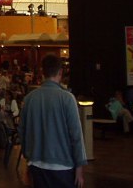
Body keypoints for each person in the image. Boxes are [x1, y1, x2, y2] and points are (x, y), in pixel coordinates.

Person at [19, 54, 87, 188]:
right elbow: (76, 135)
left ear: (42, 72)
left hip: (37, 163)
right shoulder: (67, 98)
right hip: (62, 165)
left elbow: (22, 130)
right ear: (60, 72)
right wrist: (79, 166)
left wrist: (28, 156)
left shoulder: (29, 99)